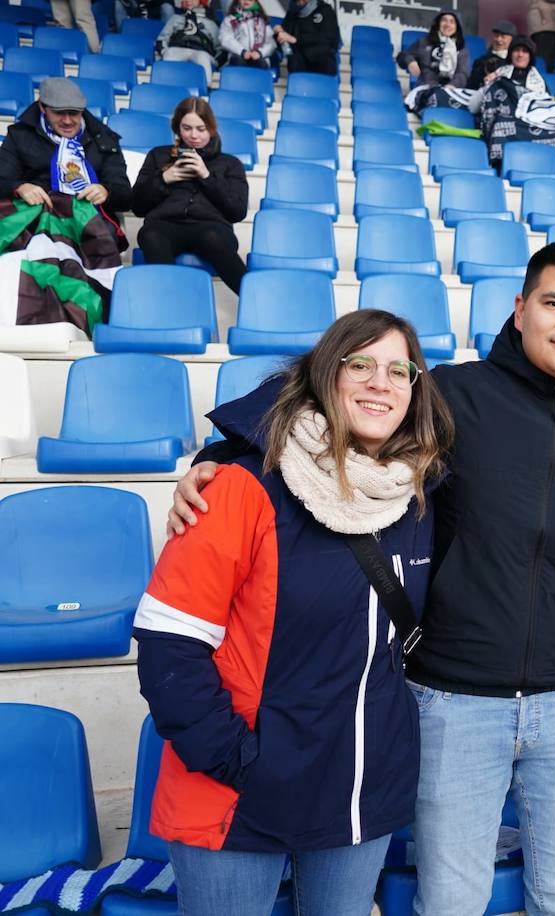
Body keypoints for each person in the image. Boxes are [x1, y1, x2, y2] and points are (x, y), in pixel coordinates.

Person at [167, 242, 555, 916]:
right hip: (451, 699)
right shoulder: (451, 395)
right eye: (554, 303)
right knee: (451, 900)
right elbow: (328, 413)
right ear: (519, 309)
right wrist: (218, 458)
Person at [135, 309, 455, 916]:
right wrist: (238, 761)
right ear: (322, 376)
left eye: (398, 370)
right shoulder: (239, 484)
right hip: (239, 792)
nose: (379, 382)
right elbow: (168, 642)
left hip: (358, 789)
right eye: (358, 364)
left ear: (416, 391)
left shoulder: (416, 494)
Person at [131, 97, 249, 295]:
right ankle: (173, 308)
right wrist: (164, 179)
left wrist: (207, 176)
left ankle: (257, 301)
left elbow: (237, 211)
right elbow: (138, 206)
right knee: (151, 236)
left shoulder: (230, 163)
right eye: (187, 128)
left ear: (211, 129)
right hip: (164, 225)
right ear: (177, 128)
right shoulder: (158, 155)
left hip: (211, 227)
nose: (194, 135)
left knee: (214, 238)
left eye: (201, 129)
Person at [0, 78, 130, 218]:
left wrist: (106, 191)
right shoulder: (19, 135)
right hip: (34, 217)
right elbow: (3, 180)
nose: (67, 121)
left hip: (92, 221)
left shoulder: (104, 138)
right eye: (59, 112)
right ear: (42, 107)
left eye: (74, 113)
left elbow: (125, 196)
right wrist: (19, 188)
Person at [396, 10, 468, 88]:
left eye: (452, 22)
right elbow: (402, 56)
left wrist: (452, 85)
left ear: (457, 27)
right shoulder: (424, 42)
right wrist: (410, 61)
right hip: (426, 88)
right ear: (438, 23)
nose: (448, 24)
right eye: (444, 20)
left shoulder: (461, 48)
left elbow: (462, 74)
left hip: (451, 90)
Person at [156, 0, 221, 84]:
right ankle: (165, 86)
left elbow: (220, 48)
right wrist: (164, 51)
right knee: (170, 53)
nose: (188, 1)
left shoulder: (210, 23)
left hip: (202, 51)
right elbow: (162, 39)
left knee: (202, 57)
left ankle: (205, 88)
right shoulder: (175, 18)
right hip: (178, 48)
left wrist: (216, 61)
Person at [275, 0, 340, 76]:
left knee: (326, 62)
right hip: (299, 60)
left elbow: (329, 39)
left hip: (322, 58)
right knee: (294, 60)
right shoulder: (292, 13)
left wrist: (296, 40)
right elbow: (284, 40)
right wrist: (278, 34)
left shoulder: (325, 10)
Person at [219, 0, 276, 69]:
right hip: (237, 55)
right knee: (238, 61)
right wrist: (242, 51)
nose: (246, 1)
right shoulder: (230, 19)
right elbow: (225, 39)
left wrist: (260, 53)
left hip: (259, 57)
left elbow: (271, 43)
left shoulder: (262, 20)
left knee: (260, 63)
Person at [466, 19, 516, 88]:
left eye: (503, 37)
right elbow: (471, 85)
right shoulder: (481, 61)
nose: (499, 39)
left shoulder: (515, 62)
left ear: (511, 39)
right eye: (496, 36)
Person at [527, 0, 555, 73]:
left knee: (550, 56)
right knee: (545, 57)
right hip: (544, 22)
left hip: (549, 21)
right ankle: (542, 78)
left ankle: (545, 77)